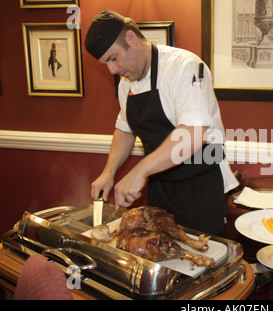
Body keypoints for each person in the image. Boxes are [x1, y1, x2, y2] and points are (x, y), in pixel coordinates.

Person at [85, 10, 238, 236]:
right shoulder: (126, 82)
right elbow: (125, 129)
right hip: (160, 187)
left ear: (131, 38)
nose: (112, 70)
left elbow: (193, 134)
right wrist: (108, 172)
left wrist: (139, 172)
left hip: (200, 186)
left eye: (113, 58)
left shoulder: (184, 66)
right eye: (105, 64)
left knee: (202, 260)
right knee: (162, 256)